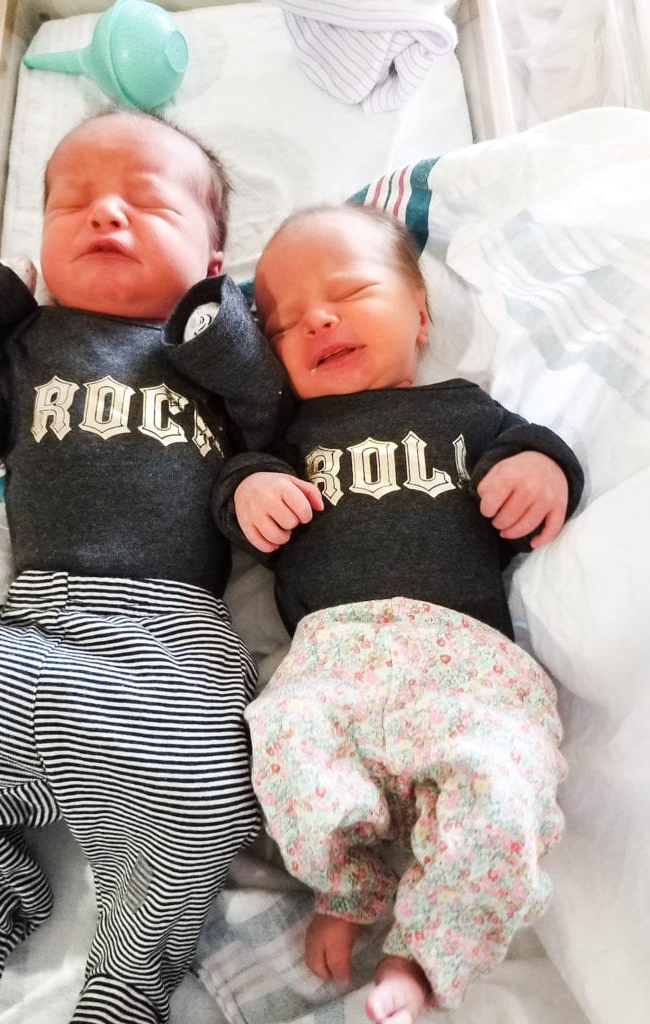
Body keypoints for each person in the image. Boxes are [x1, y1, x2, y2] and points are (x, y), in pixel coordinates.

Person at [0, 109, 291, 1024]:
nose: (105, 215)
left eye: (146, 204)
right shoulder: (34, 341)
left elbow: (270, 412)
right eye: (72, 205)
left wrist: (215, 323)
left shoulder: (219, 356)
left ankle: (125, 971)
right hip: (31, 621)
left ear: (214, 259)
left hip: (167, 634)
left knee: (198, 794)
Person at [213, 204, 584, 1024]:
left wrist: (538, 470)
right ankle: (345, 883)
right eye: (282, 325)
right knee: (281, 740)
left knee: (501, 791)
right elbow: (229, 490)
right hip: (331, 661)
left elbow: (546, 448)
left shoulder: (467, 409)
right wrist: (250, 491)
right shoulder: (291, 430)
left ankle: (423, 955)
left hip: (465, 667)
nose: (316, 318)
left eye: (347, 291)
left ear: (419, 315)